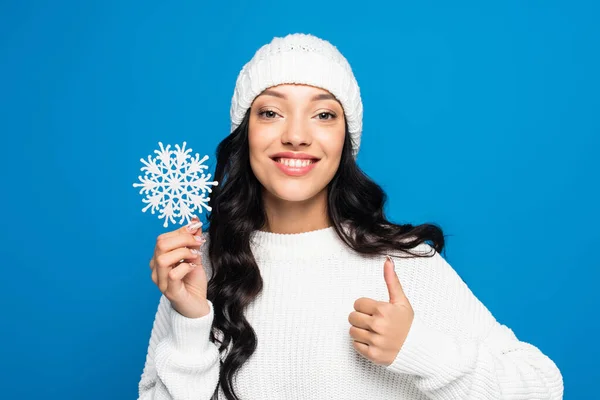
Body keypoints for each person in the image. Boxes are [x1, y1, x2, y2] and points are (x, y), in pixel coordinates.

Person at [138, 33, 563, 400]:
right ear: (245, 130)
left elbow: (542, 387)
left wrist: (421, 350)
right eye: (271, 112)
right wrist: (191, 322)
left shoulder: (402, 263)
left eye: (323, 114)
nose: (297, 135)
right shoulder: (198, 266)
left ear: (346, 137)